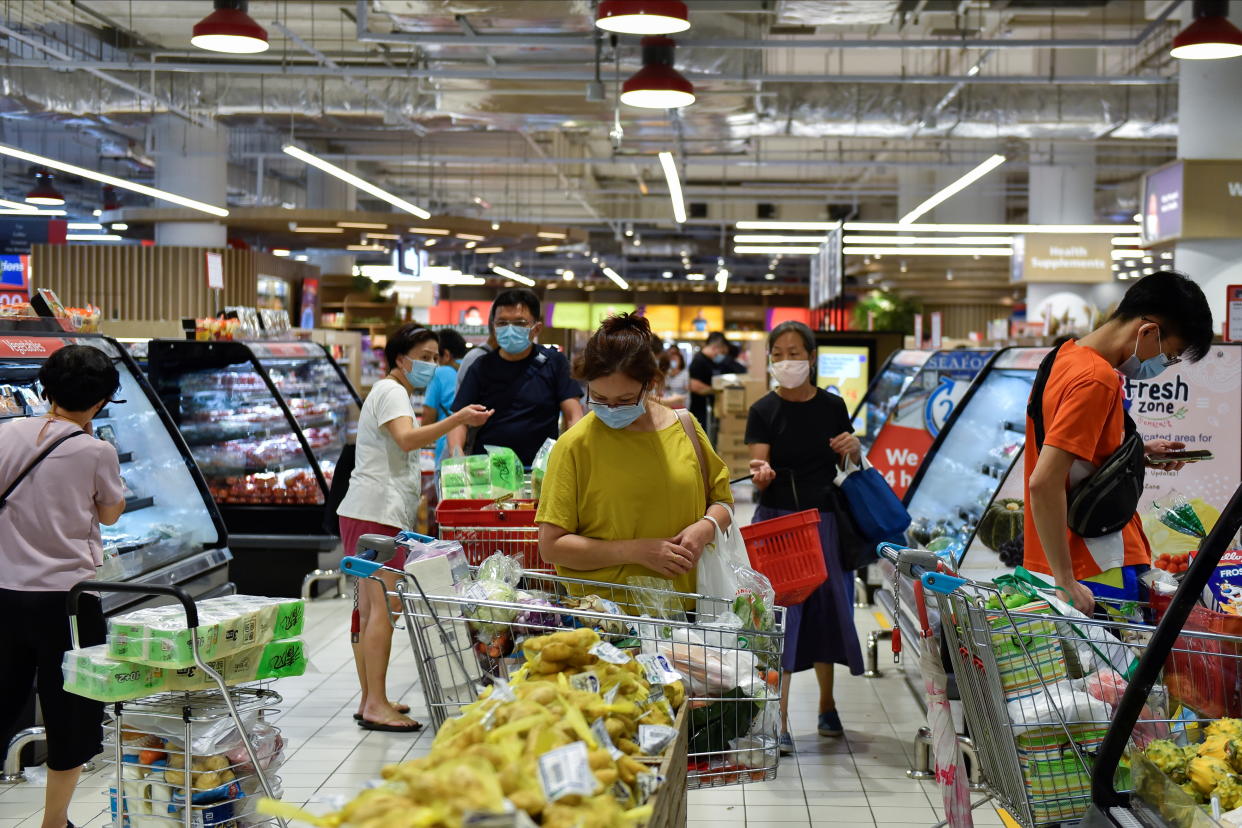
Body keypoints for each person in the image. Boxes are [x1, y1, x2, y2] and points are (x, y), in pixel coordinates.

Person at [1025, 271, 1214, 614]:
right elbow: (1044, 481)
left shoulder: (1064, 357)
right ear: (1149, 331)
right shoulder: (1097, 380)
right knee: (1119, 667)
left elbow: (1072, 458)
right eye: (1169, 355)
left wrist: (1138, 454)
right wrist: (1066, 581)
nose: (1164, 366)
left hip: (1066, 559)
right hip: (1097, 565)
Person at [336, 324, 491, 732]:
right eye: (423, 356)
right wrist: (456, 418)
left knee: (372, 609)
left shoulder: (394, 391)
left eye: (435, 357)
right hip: (374, 512)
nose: (431, 364)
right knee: (383, 610)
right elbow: (406, 440)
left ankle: (373, 698)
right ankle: (374, 705)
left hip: (372, 511)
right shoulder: (392, 391)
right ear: (400, 358)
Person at [0, 345, 127, 828]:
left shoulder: (8, 434)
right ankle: (54, 821)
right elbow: (111, 512)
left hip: (5, 592)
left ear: (45, 387)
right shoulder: (97, 450)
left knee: (3, 697)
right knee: (69, 713)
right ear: (100, 401)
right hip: (69, 603)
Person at [536, 314, 733, 598]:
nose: (612, 409)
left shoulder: (685, 428)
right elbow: (551, 546)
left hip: (688, 611)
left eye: (625, 400)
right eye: (600, 399)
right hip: (605, 620)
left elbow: (722, 502)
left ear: (650, 383)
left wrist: (705, 527)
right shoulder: (574, 446)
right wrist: (637, 551)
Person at [745, 321, 865, 753]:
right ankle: (778, 719)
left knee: (828, 609)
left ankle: (827, 707)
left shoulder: (833, 406)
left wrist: (853, 449)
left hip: (825, 522)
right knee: (781, 617)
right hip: (777, 526)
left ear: (811, 357)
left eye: (794, 352)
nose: (786, 361)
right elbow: (758, 468)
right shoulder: (763, 410)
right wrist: (763, 473)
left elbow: (848, 463)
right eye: (778, 353)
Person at [448, 289, 583, 467]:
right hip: (490, 471)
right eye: (502, 323)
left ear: (536, 328)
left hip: (540, 471)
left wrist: (572, 457)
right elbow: (459, 419)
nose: (510, 329)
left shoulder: (555, 363)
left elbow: (574, 415)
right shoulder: (481, 366)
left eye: (519, 323)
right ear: (493, 327)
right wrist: (457, 456)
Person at [422, 328, 468, 466]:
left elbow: (428, 417)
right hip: (472, 446)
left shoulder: (440, 373)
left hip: (448, 446)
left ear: (446, 355)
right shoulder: (473, 368)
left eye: (435, 357)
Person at [687, 331, 729, 427]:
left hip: (709, 411)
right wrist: (716, 390)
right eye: (721, 352)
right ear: (715, 348)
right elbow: (694, 385)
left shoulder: (711, 361)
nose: (721, 355)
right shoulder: (698, 361)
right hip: (700, 411)